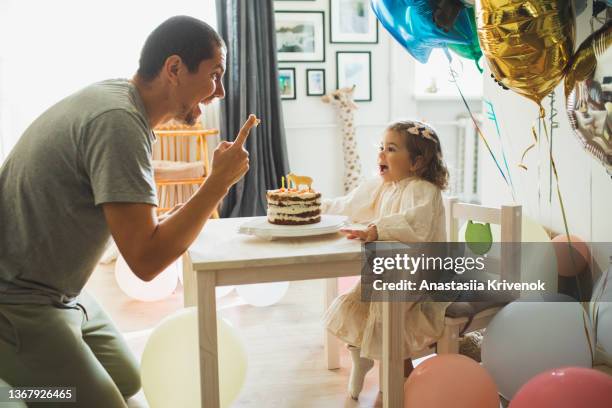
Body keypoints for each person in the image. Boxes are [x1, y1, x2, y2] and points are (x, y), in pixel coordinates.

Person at [0, 16, 258, 407]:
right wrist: (218, 184)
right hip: (17, 299)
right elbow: (146, 261)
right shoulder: (117, 121)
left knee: (127, 377)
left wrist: (208, 185)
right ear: (174, 69)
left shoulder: (120, 103)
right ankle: (11, 393)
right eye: (215, 75)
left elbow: (146, 225)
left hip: (64, 291)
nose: (219, 91)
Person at [322, 120, 450, 400]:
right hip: (389, 273)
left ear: (417, 161)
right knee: (355, 307)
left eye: (391, 149)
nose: (381, 154)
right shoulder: (384, 186)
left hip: (421, 277)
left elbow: (416, 224)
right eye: (381, 147)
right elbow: (350, 203)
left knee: (392, 321)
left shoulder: (423, 191)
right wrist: (318, 205)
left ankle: (395, 386)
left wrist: (378, 229)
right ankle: (363, 361)